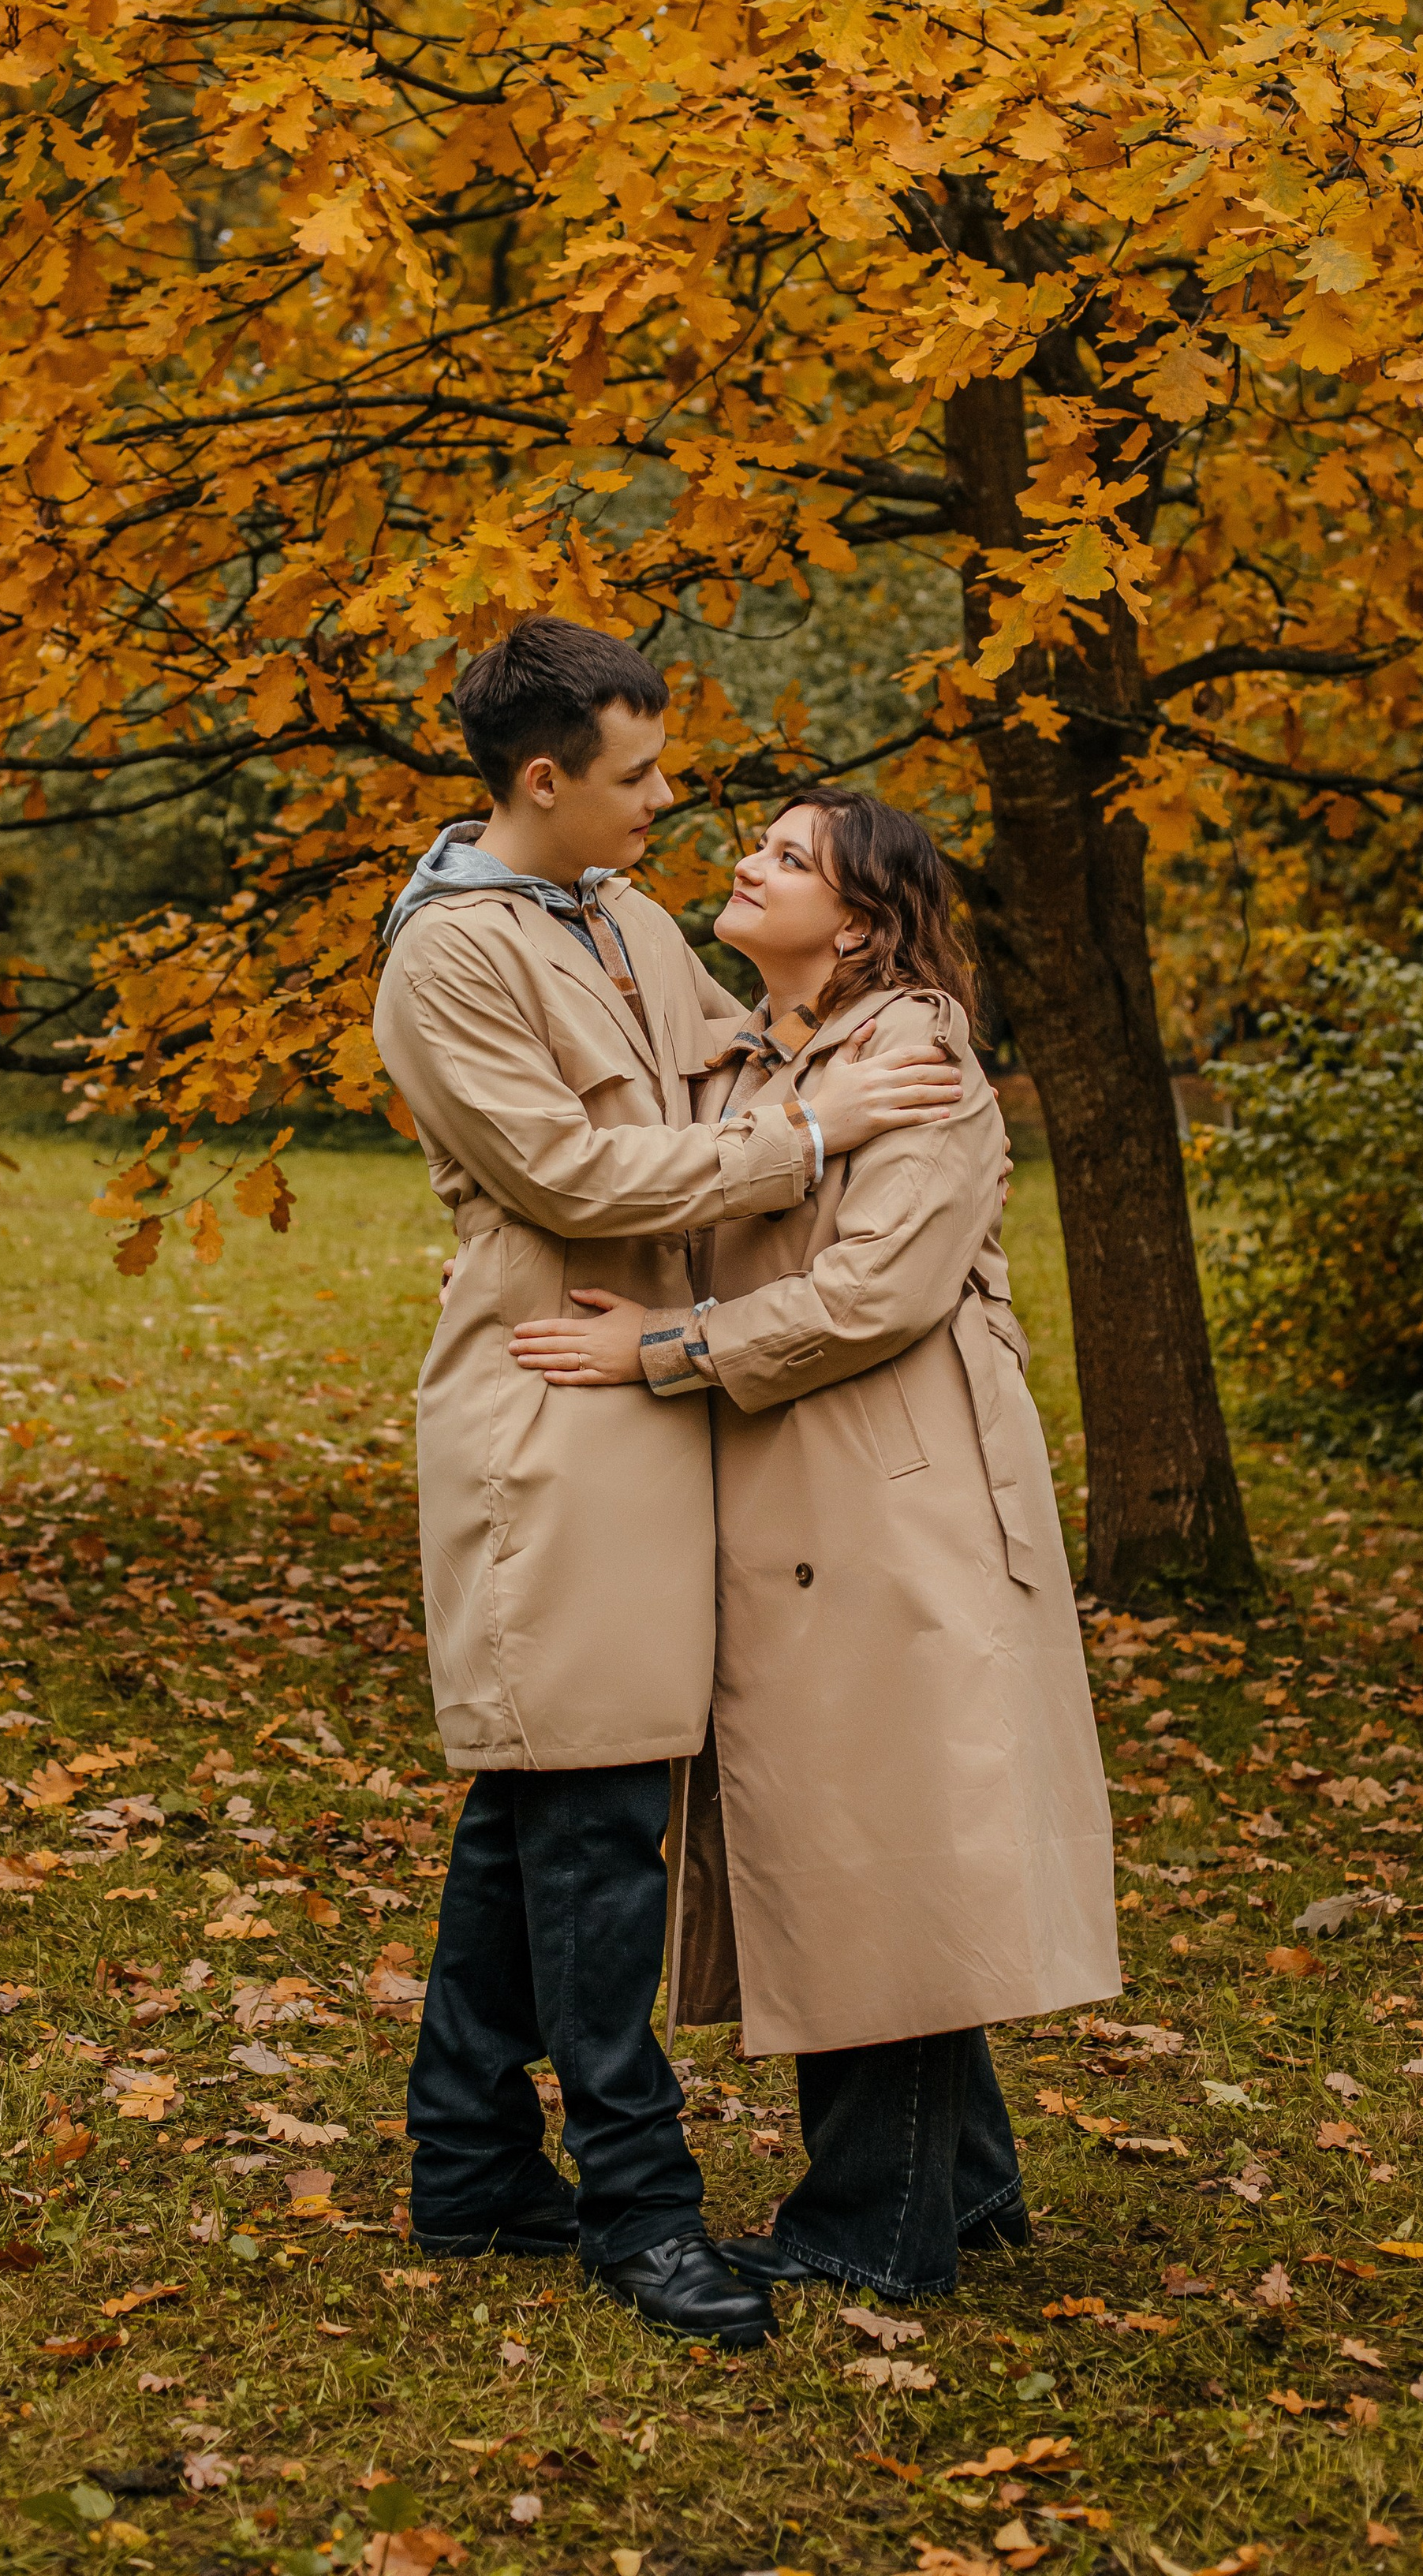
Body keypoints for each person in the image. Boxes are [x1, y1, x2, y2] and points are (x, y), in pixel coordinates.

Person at [372, 625, 962, 2349]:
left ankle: (467, 2162)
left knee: (545, 1806)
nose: (666, 796)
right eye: (635, 773)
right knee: (589, 1829)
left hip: (654, 1377)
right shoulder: (446, 961)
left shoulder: (620, 914)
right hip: (550, 1397)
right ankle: (639, 2208)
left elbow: (731, 1061)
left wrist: (870, 1053)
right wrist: (818, 1139)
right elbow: (567, 1170)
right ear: (540, 781)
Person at [508, 788, 1121, 2302]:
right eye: (757, 844)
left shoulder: (913, 1055)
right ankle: (962, 2182)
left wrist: (668, 1347)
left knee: (879, 1847)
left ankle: (872, 2229)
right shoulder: (749, 1056)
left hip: (892, 1505)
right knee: (864, 1844)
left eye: (788, 858)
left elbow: (877, 1294)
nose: (746, 861)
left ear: (856, 920)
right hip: (796, 1498)